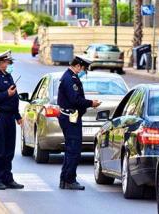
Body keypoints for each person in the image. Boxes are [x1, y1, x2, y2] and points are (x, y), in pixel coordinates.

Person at [57, 56, 101, 190]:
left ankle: (65, 179)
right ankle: (69, 179)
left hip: (71, 117)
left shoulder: (70, 77)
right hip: (70, 118)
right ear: (77, 66)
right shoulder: (70, 79)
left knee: (71, 149)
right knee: (74, 150)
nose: (83, 71)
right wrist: (91, 103)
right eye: (83, 69)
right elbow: (75, 99)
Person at [0, 50, 24, 190]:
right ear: (1, 62)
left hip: (9, 117)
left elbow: (14, 98)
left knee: (9, 149)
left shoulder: (8, 76)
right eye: (8, 62)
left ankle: (7, 178)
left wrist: (17, 116)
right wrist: (6, 93)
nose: (9, 64)